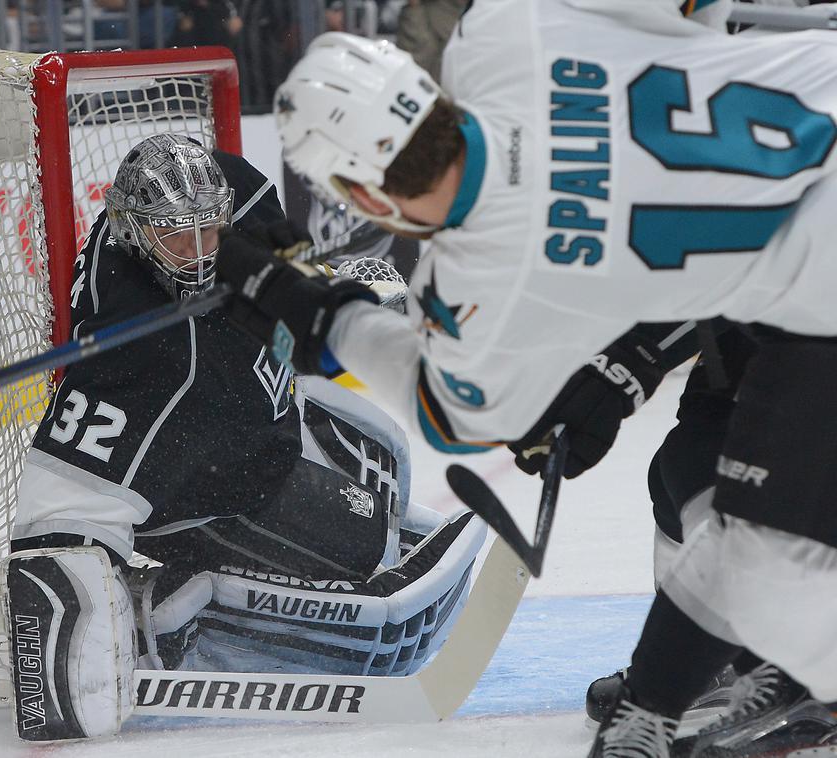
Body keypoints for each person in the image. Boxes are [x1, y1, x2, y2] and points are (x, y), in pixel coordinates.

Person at [213, 4, 837, 756]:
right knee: (692, 471)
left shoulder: (483, 293)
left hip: (813, 294)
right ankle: (700, 683)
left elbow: (451, 414)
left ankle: (754, 683)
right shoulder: (508, 31)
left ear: (368, 197)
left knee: (767, 571)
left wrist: (328, 319)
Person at [5, 133, 484, 741]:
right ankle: (159, 626)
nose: (202, 253)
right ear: (135, 234)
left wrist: (323, 289)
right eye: (179, 237)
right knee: (366, 549)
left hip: (253, 419)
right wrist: (66, 640)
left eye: (211, 231)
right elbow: (58, 508)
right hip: (203, 484)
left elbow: (284, 279)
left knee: (386, 467)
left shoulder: (235, 186)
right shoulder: (142, 355)